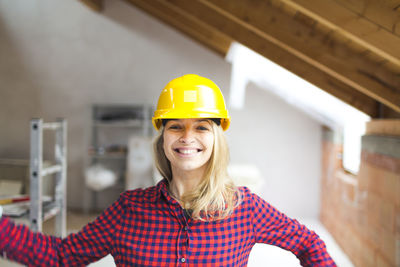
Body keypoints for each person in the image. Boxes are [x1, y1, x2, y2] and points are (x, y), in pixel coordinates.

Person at [0, 74, 336, 266]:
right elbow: (60, 255)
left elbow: (309, 244)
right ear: (163, 137)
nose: (187, 137)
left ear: (217, 137)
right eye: (176, 126)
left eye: (202, 127)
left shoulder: (244, 208)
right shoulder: (129, 210)